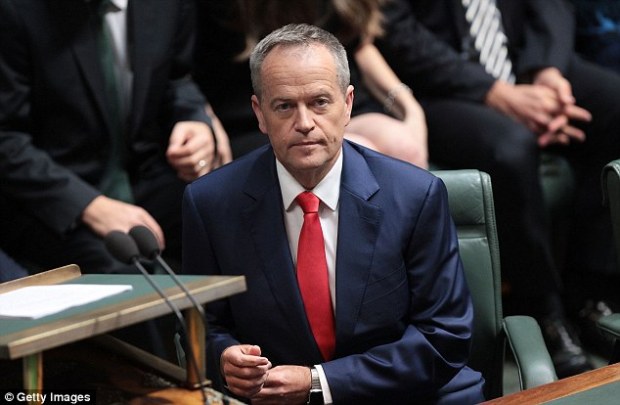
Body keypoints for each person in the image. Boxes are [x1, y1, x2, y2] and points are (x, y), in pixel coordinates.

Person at [183, 23, 485, 404]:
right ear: (259, 114)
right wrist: (223, 357)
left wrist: (318, 382)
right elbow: (201, 328)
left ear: (348, 104)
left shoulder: (415, 196)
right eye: (284, 106)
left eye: (320, 102)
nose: (304, 123)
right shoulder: (211, 204)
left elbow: (444, 337)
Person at [377, 0, 620, 377]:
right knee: (511, 149)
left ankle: (589, 293)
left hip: (526, 61)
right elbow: (396, 30)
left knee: (614, 105)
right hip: (441, 86)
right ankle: (543, 311)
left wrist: (546, 70)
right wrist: (497, 93)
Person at [0, 0, 230, 275]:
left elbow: (177, 79)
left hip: (144, 175)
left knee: (234, 216)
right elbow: (6, 138)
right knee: (125, 269)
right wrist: (89, 205)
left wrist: (194, 119)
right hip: (56, 195)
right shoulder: (14, 9)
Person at [193, 0, 428, 168]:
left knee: (405, 147)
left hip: (330, 100)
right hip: (259, 117)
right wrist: (205, 120)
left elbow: (359, 45)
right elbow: (188, 69)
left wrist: (410, 108)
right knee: (358, 156)